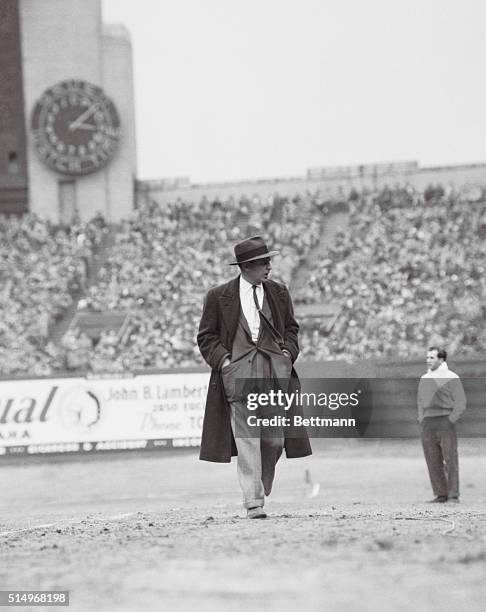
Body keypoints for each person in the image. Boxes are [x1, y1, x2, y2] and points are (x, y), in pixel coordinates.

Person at [197, 235, 311, 518]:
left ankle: (260, 481)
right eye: (263, 262)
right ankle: (253, 502)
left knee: (274, 440)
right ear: (246, 266)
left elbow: (291, 330)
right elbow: (206, 337)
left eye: (269, 261)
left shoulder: (279, 293)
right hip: (238, 376)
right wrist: (224, 362)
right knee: (247, 440)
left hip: (274, 374)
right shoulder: (217, 296)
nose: (269, 266)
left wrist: (287, 354)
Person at [417, 347, 466, 503]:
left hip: (445, 420)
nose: (428, 360)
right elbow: (420, 401)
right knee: (432, 459)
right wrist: (422, 419)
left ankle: (453, 495)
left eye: (432, 358)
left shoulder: (452, 377)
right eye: (428, 357)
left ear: (441, 359)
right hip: (428, 423)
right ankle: (441, 494)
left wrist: (451, 419)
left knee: (450, 459)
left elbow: (461, 402)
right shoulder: (424, 377)